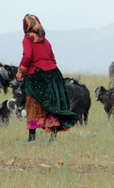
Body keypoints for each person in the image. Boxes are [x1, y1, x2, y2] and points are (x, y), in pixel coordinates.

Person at [16, 14, 79, 145]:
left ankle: (31, 140)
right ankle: (53, 140)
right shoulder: (46, 41)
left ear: (26, 26)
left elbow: (27, 56)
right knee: (51, 105)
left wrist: (21, 70)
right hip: (52, 74)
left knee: (33, 104)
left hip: (36, 75)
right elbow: (53, 59)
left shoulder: (27, 40)